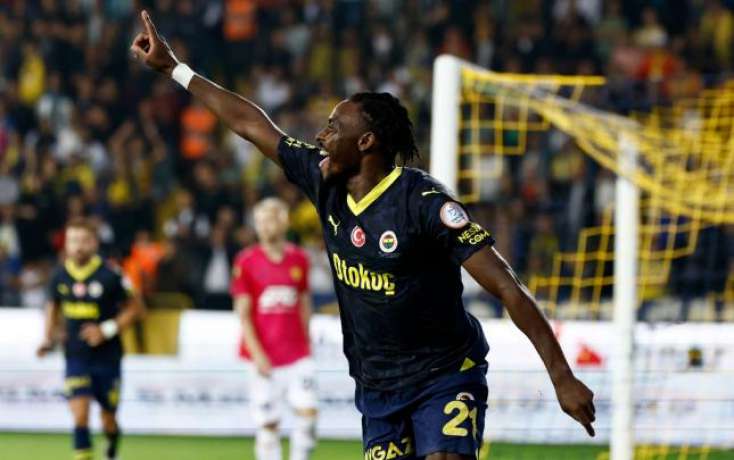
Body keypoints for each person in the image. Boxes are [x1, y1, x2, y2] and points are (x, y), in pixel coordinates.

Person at [131, 11, 595, 460]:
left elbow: (507, 286)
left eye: (334, 127)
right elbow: (253, 126)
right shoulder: (323, 181)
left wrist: (561, 376)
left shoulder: (423, 204)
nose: (321, 135)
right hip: (378, 387)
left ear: (366, 142)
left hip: (446, 373)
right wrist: (176, 69)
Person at [37, 217, 145, 460]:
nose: (78, 246)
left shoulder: (111, 274)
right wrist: (47, 338)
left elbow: (138, 309)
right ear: (66, 244)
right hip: (76, 355)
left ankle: (112, 442)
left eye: (84, 240)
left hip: (107, 357)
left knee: (108, 419)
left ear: (95, 243)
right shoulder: (59, 274)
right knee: (80, 415)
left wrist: (106, 330)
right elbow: (52, 306)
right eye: (73, 240)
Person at [231, 197, 317, 460]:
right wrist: (257, 353)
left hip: (296, 353)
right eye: (260, 221)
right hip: (262, 355)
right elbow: (243, 313)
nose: (264, 226)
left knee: (308, 416)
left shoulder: (299, 259)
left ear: (284, 222)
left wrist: (307, 341)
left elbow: (304, 302)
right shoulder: (246, 261)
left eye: (270, 220)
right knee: (268, 425)